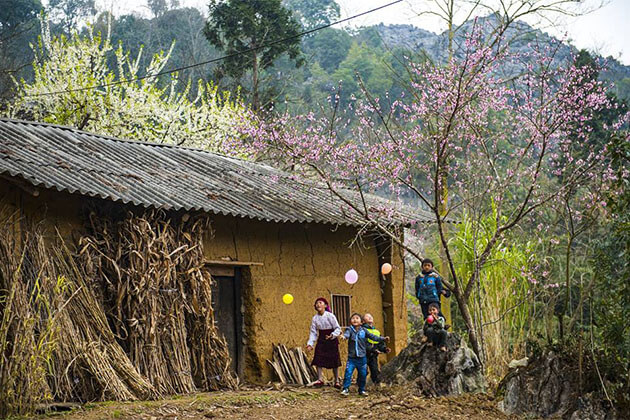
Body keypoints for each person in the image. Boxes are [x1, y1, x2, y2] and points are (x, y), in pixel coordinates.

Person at [339, 313, 389, 396]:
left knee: (363, 374)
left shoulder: (364, 331)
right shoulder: (349, 330)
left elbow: (373, 337)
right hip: (352, 358)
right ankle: (345, 389)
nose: (355, 320)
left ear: (361, 322)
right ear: (350, 321)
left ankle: (361, 390)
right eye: (353, 318)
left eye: (357, 318)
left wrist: (383, 338)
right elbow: (346, 335)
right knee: (348, 373)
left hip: (362, 357)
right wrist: (343, 337)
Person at [306, 297, 342, 388]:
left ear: (325, 305)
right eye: (317, 303)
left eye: (320, 302)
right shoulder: (315, 318)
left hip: (331, 340)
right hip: (322, 339)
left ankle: (336, 380)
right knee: (318, 358)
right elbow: (313, 332)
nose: (318, 304)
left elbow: (338, 328)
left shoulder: (330, 316)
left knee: (334, 360)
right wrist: (310, 344)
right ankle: (320, 379)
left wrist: (332, 335)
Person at [362, 313, 390, 386]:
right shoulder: (363, 330)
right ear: (363, 321)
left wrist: (384, 349)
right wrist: (372, 349)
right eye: (367, 316)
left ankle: (377, 386)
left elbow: (380, 343)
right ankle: (361, 386)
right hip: (364, 354)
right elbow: (364, 343)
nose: (370, 317)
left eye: (371, 316)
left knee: (375, 370)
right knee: (363, 370)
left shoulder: (376, 331)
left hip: (373, 355)